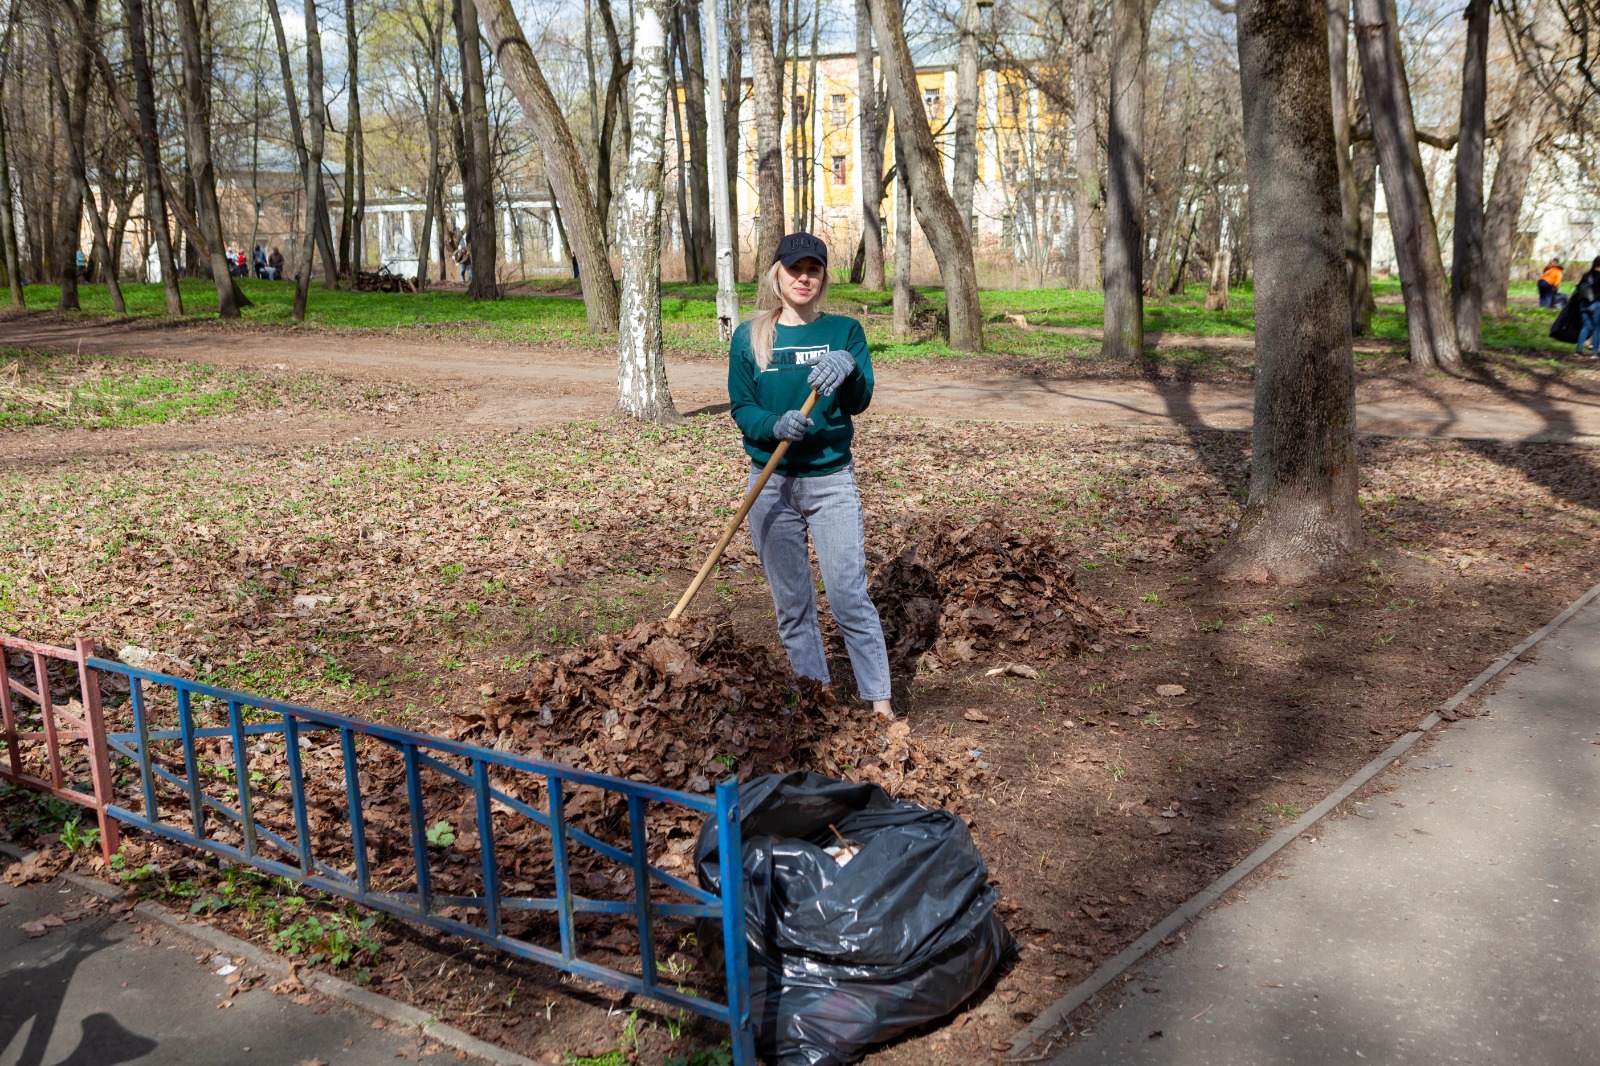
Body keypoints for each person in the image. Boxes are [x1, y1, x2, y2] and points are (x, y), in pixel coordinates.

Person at [727, 231, 893, 719]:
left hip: (830, 482)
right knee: (793, 606)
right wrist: (773, 425)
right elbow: (742, 407)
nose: (803, 277)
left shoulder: (845, 331)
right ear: (776, 275)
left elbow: (859, 402)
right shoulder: (750, 336)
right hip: (769, 485)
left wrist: (850, 368)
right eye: (794, 269)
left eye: (812, 269)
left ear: (822, 277)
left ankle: (880, 706)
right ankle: (818, 702)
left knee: (848, 597)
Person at [1575, 256, 1600, 357]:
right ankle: (1595, 352)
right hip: (1596, 304)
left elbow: (1578, 287)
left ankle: (1578, 350)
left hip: (1583, 304)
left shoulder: (1586, 275)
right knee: (1597, 328)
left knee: (1586, 327)